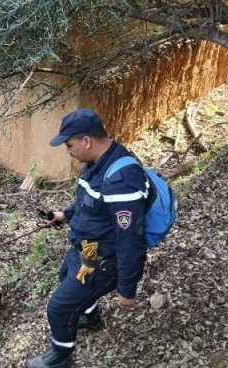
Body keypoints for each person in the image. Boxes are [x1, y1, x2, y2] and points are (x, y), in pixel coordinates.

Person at [27, 109, 150, 368]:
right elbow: (89, 203)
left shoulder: (121, 180)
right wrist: (64, 214)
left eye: (69, 145)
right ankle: (90, 317)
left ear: (86, 141)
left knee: (58, 308)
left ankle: (60, 358)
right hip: (87, 247)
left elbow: (131, 240)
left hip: (104, 260)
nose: (67, 150)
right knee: (66, 278)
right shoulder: (97, 163)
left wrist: (127, 289)